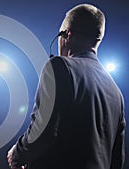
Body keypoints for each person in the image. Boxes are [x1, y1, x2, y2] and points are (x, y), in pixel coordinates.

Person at [7, 3, 125, 169]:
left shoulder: (59, 66)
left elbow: (43, 131)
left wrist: (18, 154)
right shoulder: (116, 92)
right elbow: (117, 159)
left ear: (66, 34)